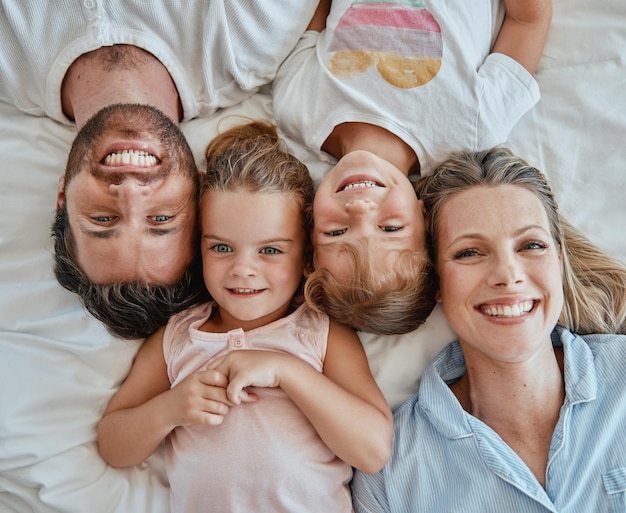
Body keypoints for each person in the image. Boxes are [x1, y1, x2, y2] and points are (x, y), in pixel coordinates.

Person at [97, 121, 393, 513]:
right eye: (222, 247)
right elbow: (114, 447)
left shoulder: (320, 333)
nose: (243, 269)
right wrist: (169, 408)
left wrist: (285, 371)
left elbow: (373, 451)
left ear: (306, 260)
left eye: (270, 251)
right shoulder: (179, 338)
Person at [0, 1, 320, 339]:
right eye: (162, 218)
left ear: (63, 195)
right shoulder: (250, 36)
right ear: (198, 185)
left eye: (103, 219)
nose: (129, 192)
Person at [351, 147, 626, 512]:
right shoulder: (390, 472)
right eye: (469, 253)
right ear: (435, 280)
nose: (507, 275)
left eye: (531, 245)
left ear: (558, 262)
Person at [273, 0, 553, 335]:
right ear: (425, 218)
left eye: (336, 233)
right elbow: (528, 20)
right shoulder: (473, 130)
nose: (361, 210)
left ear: (310, 229)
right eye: (390, 228)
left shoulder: (295, 107)